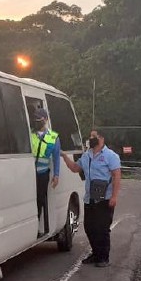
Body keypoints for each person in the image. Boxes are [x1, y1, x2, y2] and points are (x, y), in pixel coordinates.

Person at [61, 130, 121, 267]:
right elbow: (76, 168)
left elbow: (117, 176)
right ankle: (95, 254)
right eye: (90, 136)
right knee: (89, 227)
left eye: (94, 136)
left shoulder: (110, 156)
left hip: (105, 198)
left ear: (101, 138)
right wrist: (65, 157)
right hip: (90, 198)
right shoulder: (87, 155)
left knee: (102, 229)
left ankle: (103, 258)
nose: (91, 138)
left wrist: (114, 196)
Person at [31, 108, 60, 238]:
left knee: (40, 200)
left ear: (46, 119)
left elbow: (56, 157)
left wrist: (56, 175)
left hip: (42, 173)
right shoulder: (30, 135)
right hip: (28, 173)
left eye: (40, 119)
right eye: (36, 119)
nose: (38, 121)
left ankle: (36, 228)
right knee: (30, 200)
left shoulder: (53, 137)